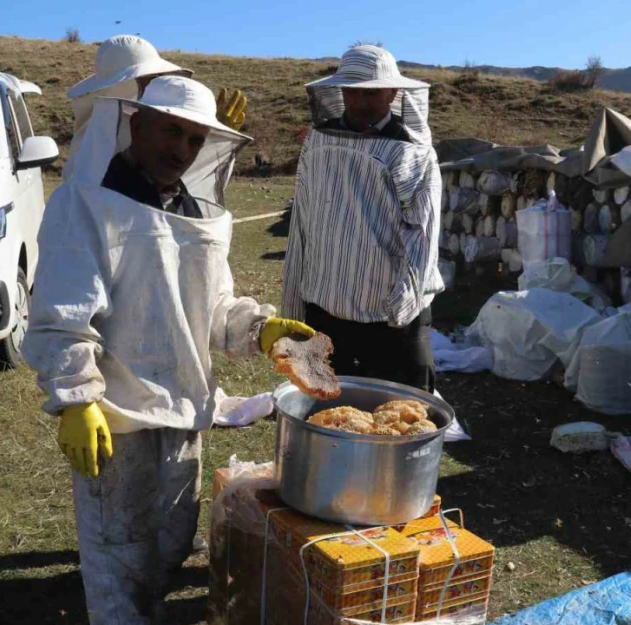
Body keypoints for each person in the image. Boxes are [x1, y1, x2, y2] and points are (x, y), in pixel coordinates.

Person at [23, 76, 312, 625]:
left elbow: (215, 305)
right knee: (118, 557)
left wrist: (261, 329)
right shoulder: (87, 203)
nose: (181, 150)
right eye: (171, 131)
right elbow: (62, 313)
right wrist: (75, 398)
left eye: (195, 140)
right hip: (117, 417)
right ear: (135, 122)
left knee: (168, 543)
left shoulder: (193, 210)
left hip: (184, 411)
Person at [281, 45, 443, 392]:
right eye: (353, 91)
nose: (361, 102)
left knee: (402, 417)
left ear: (394, 92)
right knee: (325, 414)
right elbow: (302, 224)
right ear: (340, 91)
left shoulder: (412, 151)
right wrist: (293, 308)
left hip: (390, 321)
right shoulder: (318, 143)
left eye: (372, 92)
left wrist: (401, 311)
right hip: (325, 313)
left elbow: (424, 235)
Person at [64, 35, 247, 181]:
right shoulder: (95, 140)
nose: (155, 83)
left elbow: (189, 180)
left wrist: (213, 139)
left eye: (158, 75)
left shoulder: (144, 124)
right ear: (121, 84)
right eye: (147, 77)